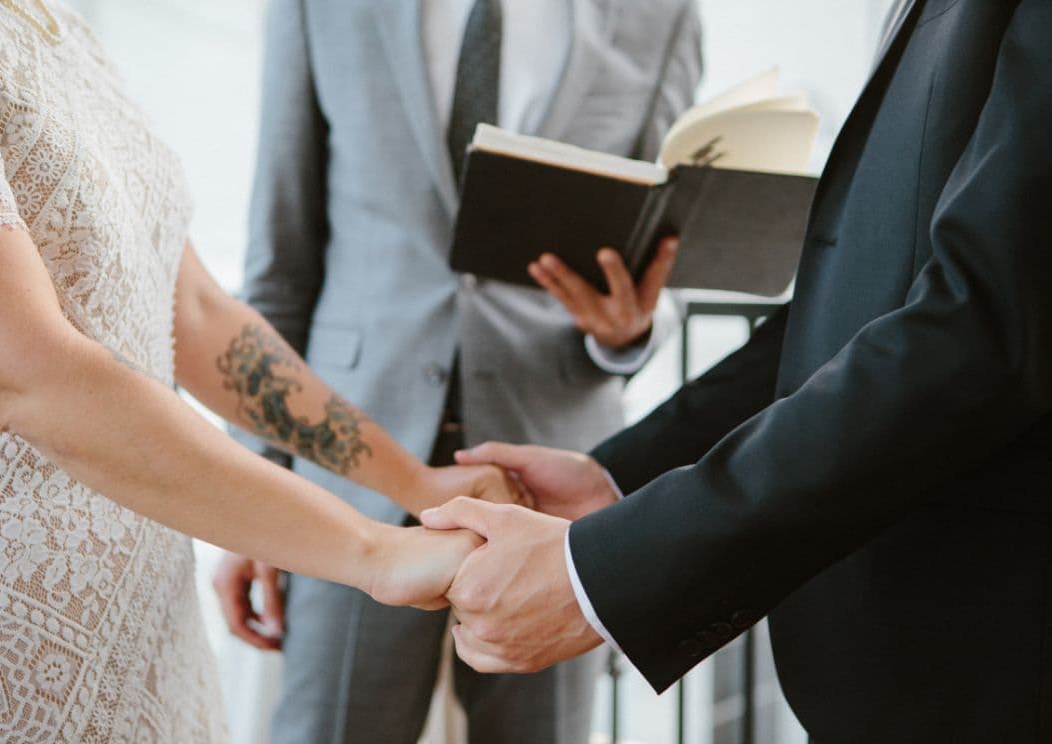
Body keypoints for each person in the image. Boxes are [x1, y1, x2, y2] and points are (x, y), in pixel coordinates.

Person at [421, 0, 1052, 741]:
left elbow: (979, 333)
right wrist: (622, 480)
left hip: (989, 657)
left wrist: (611, 572)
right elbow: (859, 308)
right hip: (891, 657)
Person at [0, 1, 520, 740]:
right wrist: (375, 550)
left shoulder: (56, 23)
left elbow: (200, 314)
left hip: (143, 624)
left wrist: (413, 485)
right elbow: (21, 373)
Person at [212, 1, 703, 742]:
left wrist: (631, 332)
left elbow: (669, 235)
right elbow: (279, 262)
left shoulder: (658, 14)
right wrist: (250, 493)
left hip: (554, 476)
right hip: (349, 470)